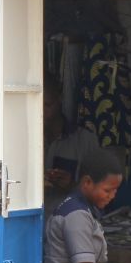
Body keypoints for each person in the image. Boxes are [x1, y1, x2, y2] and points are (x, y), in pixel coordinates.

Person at [43, 86, 103, 214]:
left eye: (47, 105)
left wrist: (72, 186)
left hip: (69, 225)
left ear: (59, 99)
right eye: (36, 104)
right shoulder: (24, 141)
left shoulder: (86, 141)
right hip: (31, 223)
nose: (41, 111)